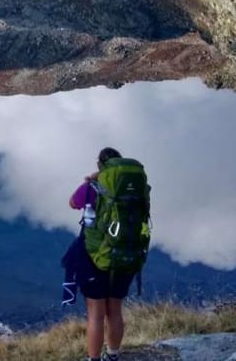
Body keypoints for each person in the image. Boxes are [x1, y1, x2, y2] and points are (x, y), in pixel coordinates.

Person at [68, 147, 134, 361]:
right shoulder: (132, 188)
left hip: (95, 255)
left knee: (96, 313)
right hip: (126, 253)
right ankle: (113, 355)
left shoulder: (93, 187)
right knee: (115, 309)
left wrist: (91, 180)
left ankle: (93, 358)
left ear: (100, 165)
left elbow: (73, 203)